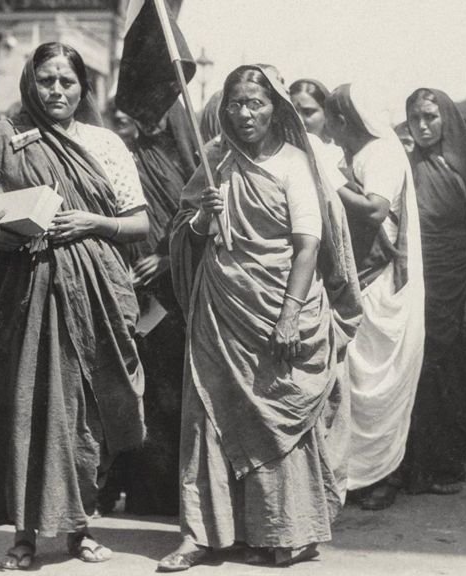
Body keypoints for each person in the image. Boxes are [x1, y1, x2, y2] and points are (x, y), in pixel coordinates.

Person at [0, 42, 148, 569]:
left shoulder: (105, 144)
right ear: (29, 83)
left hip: (94, 295)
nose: (56, 90)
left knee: (85, 409)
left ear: (83, 88)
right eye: (46, 80)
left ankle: (80, 527)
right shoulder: (3, 138)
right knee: (26, 405)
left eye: (66, 81)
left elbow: (139, 222)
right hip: (20, 293)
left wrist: (94, 223)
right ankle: (24, 534)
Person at [159, 63, 360, 572]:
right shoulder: (214, 161)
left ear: (276, 108)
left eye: (256, 103)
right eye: (235, 103)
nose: (245, 113)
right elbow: (186, 234)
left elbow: (308, 245)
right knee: (208, 416)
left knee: (279, 416)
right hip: (220, 309)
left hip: (280, 307)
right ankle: (202, 535)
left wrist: (289, 315)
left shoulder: (295, 162)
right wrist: (202, 217)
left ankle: (286, 531)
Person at [324, 83, 425, 511]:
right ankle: (353, 474)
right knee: (354, 381)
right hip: (356, 280)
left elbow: (375, 209)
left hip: (381, 282)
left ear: (343, 120)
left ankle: (384, 474)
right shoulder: (351, 155)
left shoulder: (381, 153)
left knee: (380, 382)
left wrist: (331, 182)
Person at [401, 88, 466, 495]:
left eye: (431, 117)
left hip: (455, 284)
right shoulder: (405, 165)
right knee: (416, 373)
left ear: (446, 119)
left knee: (452, 375)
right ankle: (414, 466)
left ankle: (447, 466)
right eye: (415, 118)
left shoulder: (462, 168)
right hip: (414, 285)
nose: (423, 126)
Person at [101, 100, 197, 517]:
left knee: (172, 395)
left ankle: (176, 495)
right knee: (136, 390)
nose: (150, 124)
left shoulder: (192, 165)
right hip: (131, 289)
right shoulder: (123, 162)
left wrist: (169, 259)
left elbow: (202, 228)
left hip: (178, 294)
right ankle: (138, 491)